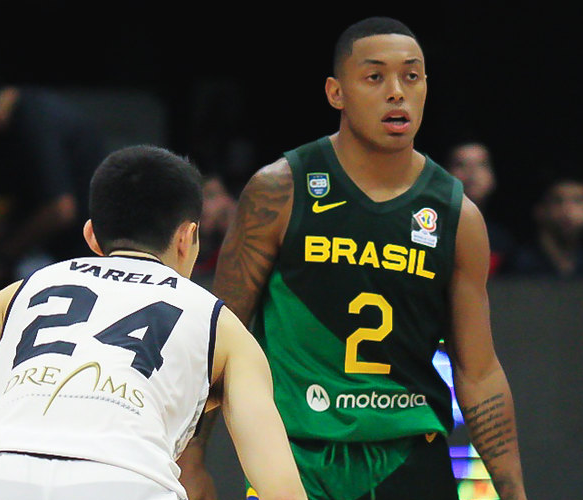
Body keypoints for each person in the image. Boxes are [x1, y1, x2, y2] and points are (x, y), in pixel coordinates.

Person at [179, 17, 528, 500]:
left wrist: (512, 491)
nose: (396, 92)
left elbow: (479, 370)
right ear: (335, 92)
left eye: (411, 76)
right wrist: (191, 461)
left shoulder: (456, 215)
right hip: (295, 454)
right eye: (374, 76)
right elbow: (219, 332)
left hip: (407, 452)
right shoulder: (279, 190)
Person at [0, 145, 307, 500]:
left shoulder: (23, 292)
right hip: (124, 483)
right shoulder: (220, 324)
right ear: (188, 239)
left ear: (90, 237)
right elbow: (277, 483)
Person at [0, 69, 106, 289]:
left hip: (84, 252)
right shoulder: (34, 108)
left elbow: (58, 210)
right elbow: (27, 207)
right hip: (81, 246)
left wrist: (0, 257)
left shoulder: (32, 123)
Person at [446, 141, 515, 276]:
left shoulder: (502, 241)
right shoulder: (426, 233)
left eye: (481, 164)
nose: (471, 173)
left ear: (492, 177)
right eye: (461, 165)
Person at [502, 174, 583, 278]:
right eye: (558, 201)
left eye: (577, 201)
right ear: (540, 210)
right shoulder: (520, 263)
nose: (568, 211)